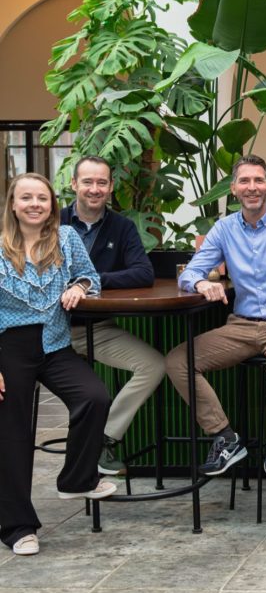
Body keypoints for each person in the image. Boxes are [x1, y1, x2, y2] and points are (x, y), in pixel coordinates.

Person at [0, 173, 117, 556]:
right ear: (13, 204)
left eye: (42, 198)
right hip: (8, 348)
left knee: (94, 397)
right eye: (26, 198)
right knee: (14, 436)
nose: (35, 204)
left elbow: (90, 276)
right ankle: (17, 527)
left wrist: (78, 287)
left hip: (54, 344)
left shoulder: (66, 238)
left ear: (52, 204)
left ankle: (76, 479)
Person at [169, 155, 266, 476]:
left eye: (258, 180)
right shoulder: (224, 228)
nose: (251, 187)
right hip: (240, 326)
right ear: (233, 189)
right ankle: (225, 437)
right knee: (177, 362)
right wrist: (201, 282)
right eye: (244, 181)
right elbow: (189, 273)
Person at [60, 155, 165, 475]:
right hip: (51, 331)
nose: (95, 189)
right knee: (91, 394)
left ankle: (104, 438)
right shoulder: (53, 222)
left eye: (101, 182)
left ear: (111, 187)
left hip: (97, 328)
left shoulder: (122, 226)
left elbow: (143, 273)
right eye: (87, 182)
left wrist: (89, 281)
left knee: (154, 365)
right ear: (74, 184)